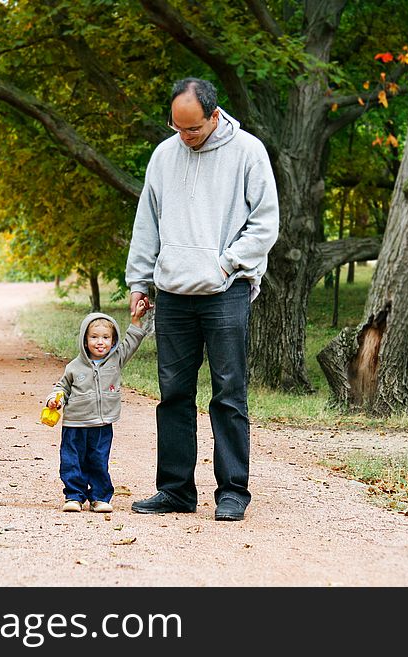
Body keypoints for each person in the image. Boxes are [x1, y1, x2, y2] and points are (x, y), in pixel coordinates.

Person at [125, 77, 279, 521]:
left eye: (192, 129)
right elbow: (147, 223)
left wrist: (227, 264)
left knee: (229, 392)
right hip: (172, 293)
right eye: (177, 127)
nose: (184, 137)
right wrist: (139, 281)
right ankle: (175, 490)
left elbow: (265, 223)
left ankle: (232, 491)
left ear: (214, 116)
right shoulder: (163, 155)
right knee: (173, 393)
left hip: (224, 291)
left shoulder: (248, 152)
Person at [45, 301, 147, 513]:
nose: (100, 342)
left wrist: (136, 319)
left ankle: (100, 497)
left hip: (102, 423)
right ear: (85, 339)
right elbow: (61, 387)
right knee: (72, 461)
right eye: (94, 337)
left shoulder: (116, 359)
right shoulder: (74, 366)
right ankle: (74, 496)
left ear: (113, 340)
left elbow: (132, 341)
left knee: (99, 460)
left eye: (105, 337)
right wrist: (54, 400)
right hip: (75, 424)